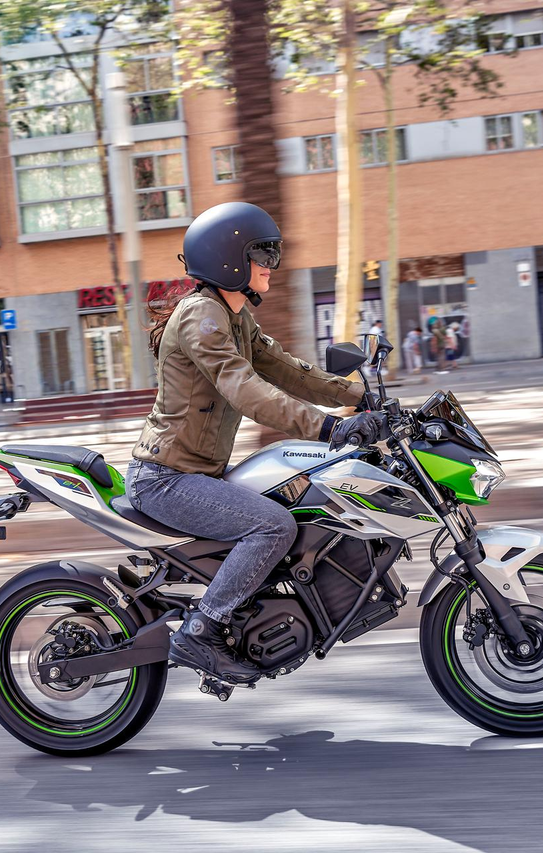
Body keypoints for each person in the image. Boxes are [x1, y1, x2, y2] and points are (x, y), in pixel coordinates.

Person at [125, 202, 381, 684]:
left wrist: (364, 399)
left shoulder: (234, 317)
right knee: (272, 526)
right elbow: (244, 388)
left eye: (272, 254)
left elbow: (288, 371)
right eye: (262, 254)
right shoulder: (202, 317)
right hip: (165, 480)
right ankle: (201, 631)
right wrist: (329, 428)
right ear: (227, 260)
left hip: (197, 474)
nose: (271, 265)